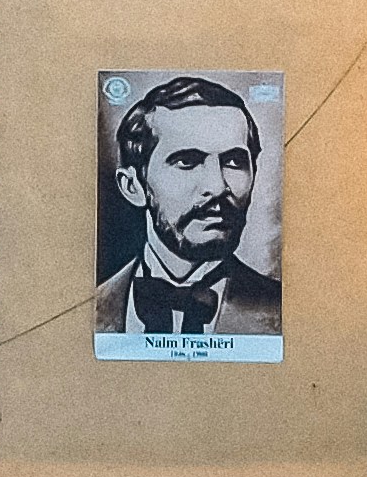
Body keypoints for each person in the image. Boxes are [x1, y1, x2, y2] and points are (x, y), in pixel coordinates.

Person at [91, 75, 282, 342]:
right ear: (133, 186)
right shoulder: (91, 308)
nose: (217, 187)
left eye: (234, 162)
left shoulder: (280, 308)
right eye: (187, 161)